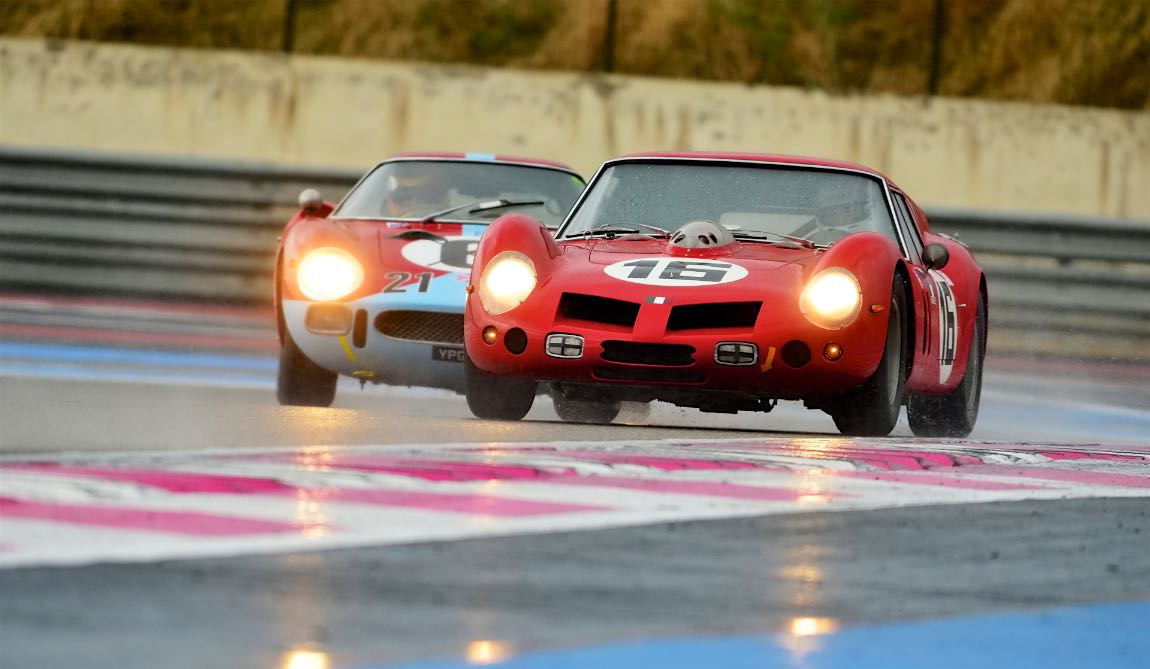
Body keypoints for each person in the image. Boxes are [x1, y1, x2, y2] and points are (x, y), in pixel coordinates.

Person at [382, 165, 450, 218]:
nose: (413, 202)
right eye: (405, 199)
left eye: (424, 198)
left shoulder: (452, 218)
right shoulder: (377, 221)